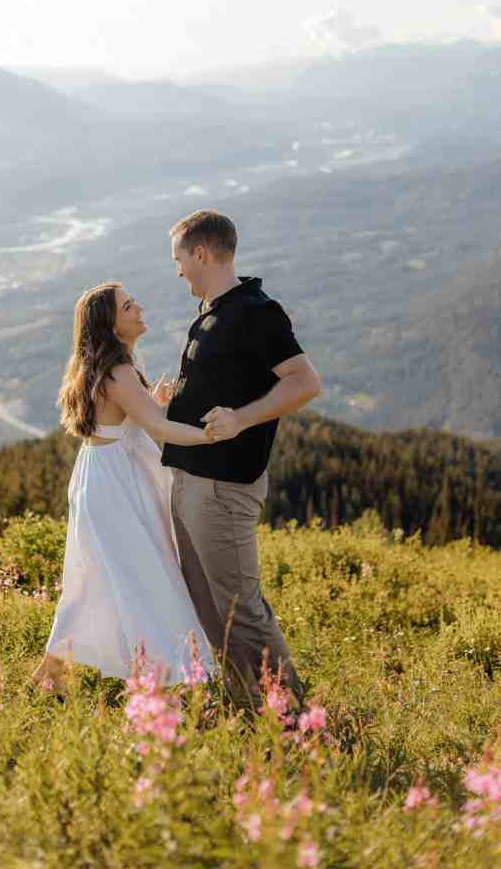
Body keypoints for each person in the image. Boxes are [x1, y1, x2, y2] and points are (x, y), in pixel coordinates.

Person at [161, 210, 323, 711]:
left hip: (224, 486)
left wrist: (241, 419)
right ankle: (248, 705)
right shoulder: (212, 312)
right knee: (209, 606)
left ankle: (294, 719)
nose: (179, 271)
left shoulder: (255, 311)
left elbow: (304, 381)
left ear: (202, 253)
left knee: (240, 609)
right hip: (191, 479)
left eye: (180, 260)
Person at [31, 281, 215, 694]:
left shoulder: (104, 366)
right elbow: (159, 427)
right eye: (128, 306)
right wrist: (212, 436)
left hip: (104, 474)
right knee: (143, 574)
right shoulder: (119, 370)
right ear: (112, 325)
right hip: (117, 482)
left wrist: (151, 400)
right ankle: (164, 676)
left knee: (95, 576)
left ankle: (52, 673)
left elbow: (127, 415)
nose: (139, 308)